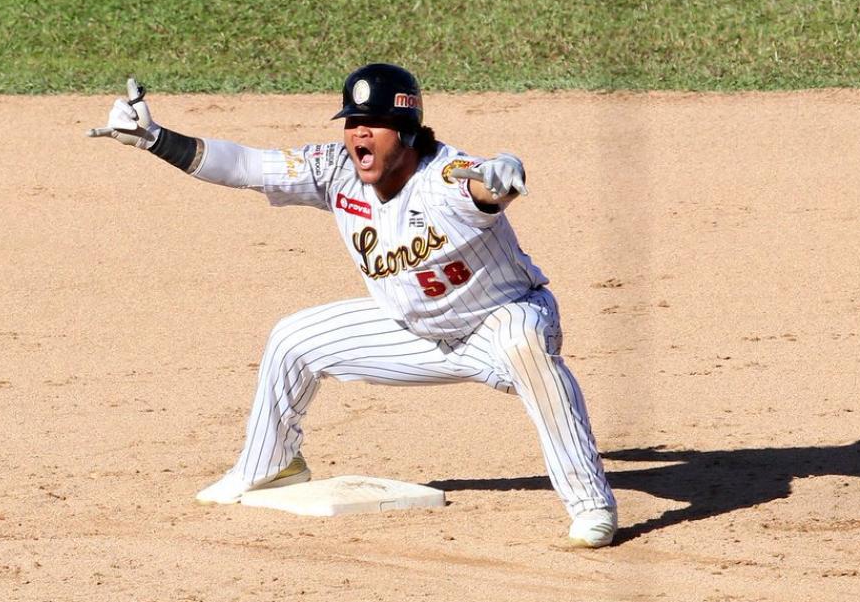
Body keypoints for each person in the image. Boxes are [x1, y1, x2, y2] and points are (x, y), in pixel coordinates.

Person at [86, 64, 618, 547]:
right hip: (414, 332)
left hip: (499, 321)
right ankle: (271, 465)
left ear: (407, 132)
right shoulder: (336, 170)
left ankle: (590, 504)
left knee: (527, 349)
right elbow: (246, 164)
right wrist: (155, 140)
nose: (359, 133)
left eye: (376, 122)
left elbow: (482, 183)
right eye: (353, 121)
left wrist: (499, 178)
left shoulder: (443, 177)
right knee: (295, 339)